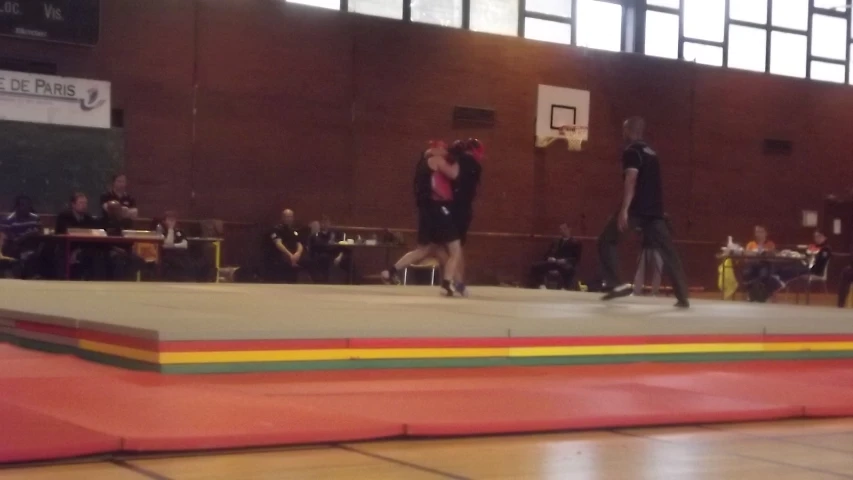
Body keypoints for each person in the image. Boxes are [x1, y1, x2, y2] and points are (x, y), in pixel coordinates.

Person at [597, 116, 689, 308]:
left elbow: (631, 179)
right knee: (669, 251)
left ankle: (617, 284)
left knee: (606, 239)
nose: (622, 133)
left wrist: (624, 209)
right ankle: (683, 296)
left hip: (637, 210)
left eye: (624, 130)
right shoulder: (652, 153)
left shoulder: (632, 151)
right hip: (655, 212)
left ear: (629, 130)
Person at [54, 193, 99, 279]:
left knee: (97, 254)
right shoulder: (64, 216)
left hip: (83, 247)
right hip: (65, 247)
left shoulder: (88, 218)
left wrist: (79, 250)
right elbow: (62, 233)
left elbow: (93, 233)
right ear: (73, 204)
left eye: (85, 203)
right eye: (81, 203)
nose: (84, 206)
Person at [529, 223, 582, 289]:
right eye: (561, 229)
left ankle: (565, 287)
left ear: (569, 229)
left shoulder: (575, 243)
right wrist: (549, 258)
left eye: (564, 229)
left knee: (570, 270)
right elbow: (548, 253)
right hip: (553, 263)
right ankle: (541, 285)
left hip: (564, 264)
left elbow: (576, 258)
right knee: (535, 266)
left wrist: (565, 260)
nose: (562, 231)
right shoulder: (556, 241)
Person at [2, 195, 43, 278]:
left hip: (33, 245)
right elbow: (12, 241)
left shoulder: (35, 218)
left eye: (29, 205)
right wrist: (27, 235)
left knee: (45, 250)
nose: (27, 208)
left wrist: (38, 232)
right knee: (26, 254)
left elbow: (41, 233)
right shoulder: (9, 220)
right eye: (24, 205)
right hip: (14, 247)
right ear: (17, 207)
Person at [265, 208, 305, 283]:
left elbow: (299, 243)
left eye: (291, 217)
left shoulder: (293, 231)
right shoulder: (276, 229)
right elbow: (278, 244)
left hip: (294, 257)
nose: (289, 219)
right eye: (287, 217)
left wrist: (298, 253)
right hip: (280, 257)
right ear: (282, 217)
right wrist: (290, 255)